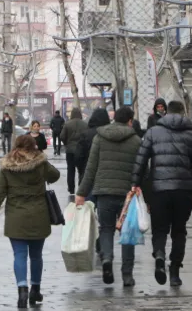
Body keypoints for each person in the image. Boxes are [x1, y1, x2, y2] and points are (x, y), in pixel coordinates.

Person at [132, 100, 192, 287]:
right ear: (183, 113)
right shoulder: (191, 136)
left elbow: (140, 160)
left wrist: (135, 183)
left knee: (159, 229)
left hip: (159, 190)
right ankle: (174, 272)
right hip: (183, 191)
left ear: (166, 112)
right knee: (179, 230)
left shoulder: (152, 132)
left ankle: (159, 255)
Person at [0, 135, 61, 308]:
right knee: (36, 256)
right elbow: (55, 176)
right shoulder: (40, 163)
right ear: (33, 147)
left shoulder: (7, 166)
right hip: (38, 216)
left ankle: (22, 291)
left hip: (16, 217)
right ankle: (35, 289)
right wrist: (43, 160)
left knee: (19, 255)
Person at [75, 107, 142, 287]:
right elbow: (142, 169)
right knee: (128, 233)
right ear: (130, 121)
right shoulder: (136, 140)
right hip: (127, 195)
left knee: (106, 229)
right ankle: (127, 275)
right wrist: (146, 196)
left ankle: (106, 259)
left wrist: (81, 193)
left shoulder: (100, 137)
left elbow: (91, 169)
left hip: (103, 192)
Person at [76, 108, 110, 178]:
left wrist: (82, 171)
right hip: (106, 175)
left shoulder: (85, 135)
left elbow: (78, 156)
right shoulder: (110, 134)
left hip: (88, 174)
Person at [60, 108, 87, 194]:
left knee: (70, 170)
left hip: (70, 151)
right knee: (82, 170)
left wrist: (66, 144)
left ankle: (71, 188)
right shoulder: (85, 124)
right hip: (81, 150)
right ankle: (81, 187)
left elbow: (62, 136)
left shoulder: (67, 124)